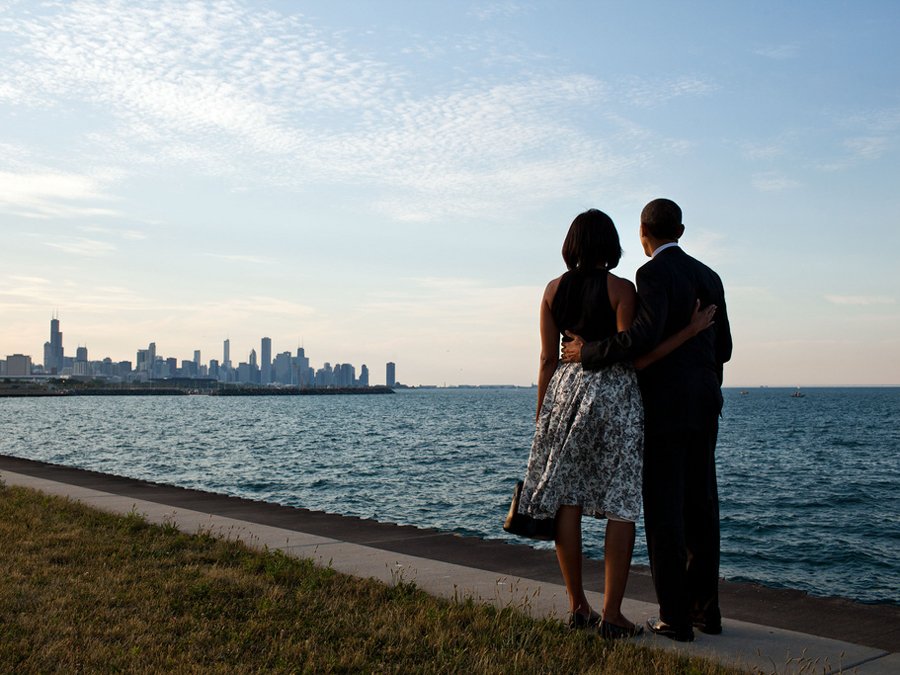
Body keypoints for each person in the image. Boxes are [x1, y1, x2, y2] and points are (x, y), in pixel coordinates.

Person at [518, 208, 715, 639]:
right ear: (612, 244)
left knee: (566, 499)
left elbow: (547, 359)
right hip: (613, 398)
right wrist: (688, 332)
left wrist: (542, 416)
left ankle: (578, 607)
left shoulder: (551, 290)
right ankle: (612, 614)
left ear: (570, 244)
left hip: (564, 394)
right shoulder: (621, 288)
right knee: (621, 503)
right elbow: (636, 357)